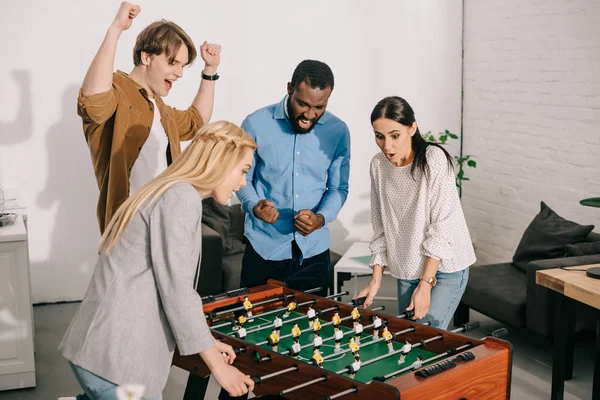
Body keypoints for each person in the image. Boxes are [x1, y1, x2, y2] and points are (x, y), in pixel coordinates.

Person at [59, 121, 256, 400]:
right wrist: (218, 369)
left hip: (100, 352)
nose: (243, 182)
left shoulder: (171, 191)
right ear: (221, 161)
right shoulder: (181, 198)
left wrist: (208, 343)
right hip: (114, 362)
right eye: (243, 170)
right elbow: (177, 292)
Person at [78, 1, 222, 233]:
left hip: (165, 225)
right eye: (173, 63)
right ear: (146, 57)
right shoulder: (116, 90)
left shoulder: (160, 109)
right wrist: (116, 29)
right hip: (129, 228)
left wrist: (210, 70)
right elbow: (93, 104)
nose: (180, 73)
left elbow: (196, 123)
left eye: (183, 66)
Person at [357, 96, 475, 330]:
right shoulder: (378, 166)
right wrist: (375, 280)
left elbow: (442, 228)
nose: (386, 146)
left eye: (394, 135)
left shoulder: (434, 160)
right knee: (407, 339)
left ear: (412, 128)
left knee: (422, 337)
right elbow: (381, 228)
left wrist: (426, 283)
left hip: (445, 268)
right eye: (379, 136)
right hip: (407, 267)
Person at [237, 59, 351, 297]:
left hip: (313, 254)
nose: (309, 115)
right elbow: (242, 178)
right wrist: (255, 206)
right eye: (303, 104)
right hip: (263, 250)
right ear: (289, 88)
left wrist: (321, 218)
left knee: (314, 331)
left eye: (320, 107)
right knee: (252, 329)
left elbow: (338, 188)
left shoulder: (338, 132)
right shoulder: (255, 124)